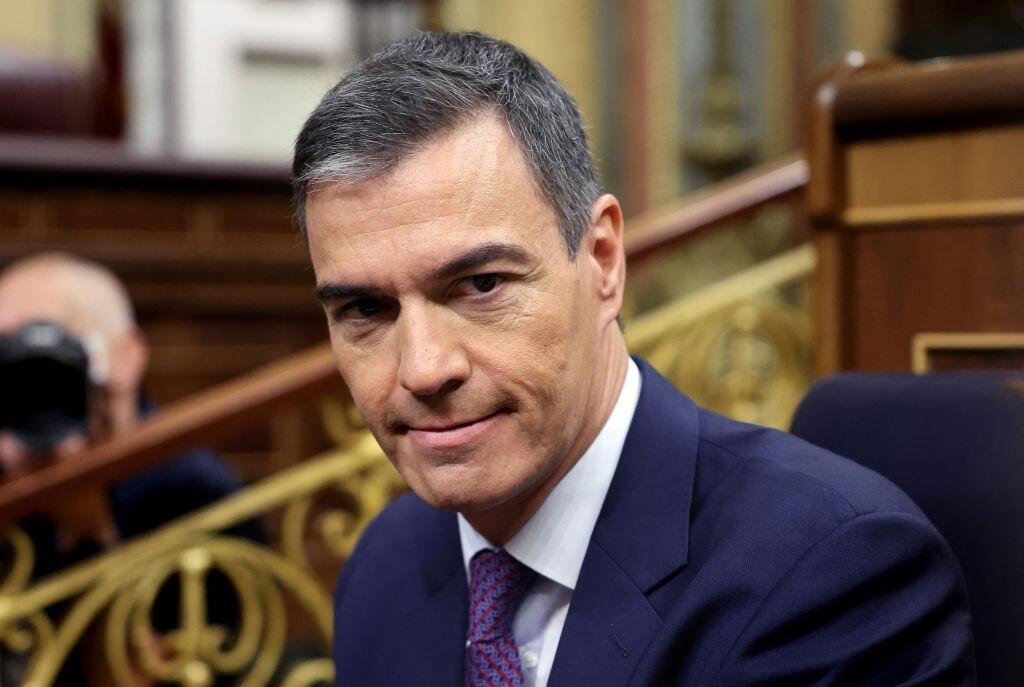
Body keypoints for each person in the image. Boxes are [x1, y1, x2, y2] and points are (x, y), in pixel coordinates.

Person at [293, 32, 976, 686]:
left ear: (603, 262)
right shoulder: (384, 567)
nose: (422, 368)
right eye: (365, 309)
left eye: (481, 285)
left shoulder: (830, 573)